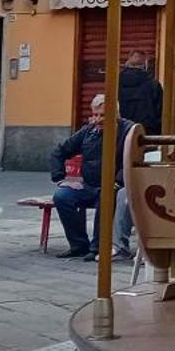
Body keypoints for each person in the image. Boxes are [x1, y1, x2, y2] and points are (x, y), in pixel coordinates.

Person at [49, 94, 136, 261]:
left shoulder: (128, 130)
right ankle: (79, 245)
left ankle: (97, 248)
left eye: (103, 115)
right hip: (88, 185)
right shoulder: (88, 131)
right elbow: (59, 151)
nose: (98, 119)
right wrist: (60, 179)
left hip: (114, 186)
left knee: (106, 197)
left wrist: (118, 182)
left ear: (116, 115)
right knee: (62, 196)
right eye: (95, 115)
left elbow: (132, 159)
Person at [117, 50, 164, 134]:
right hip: (147, 133)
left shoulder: (116, 84)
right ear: (145, 65)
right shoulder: (153, 85)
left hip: (123, 131)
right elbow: (160, 111)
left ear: (127, 63)